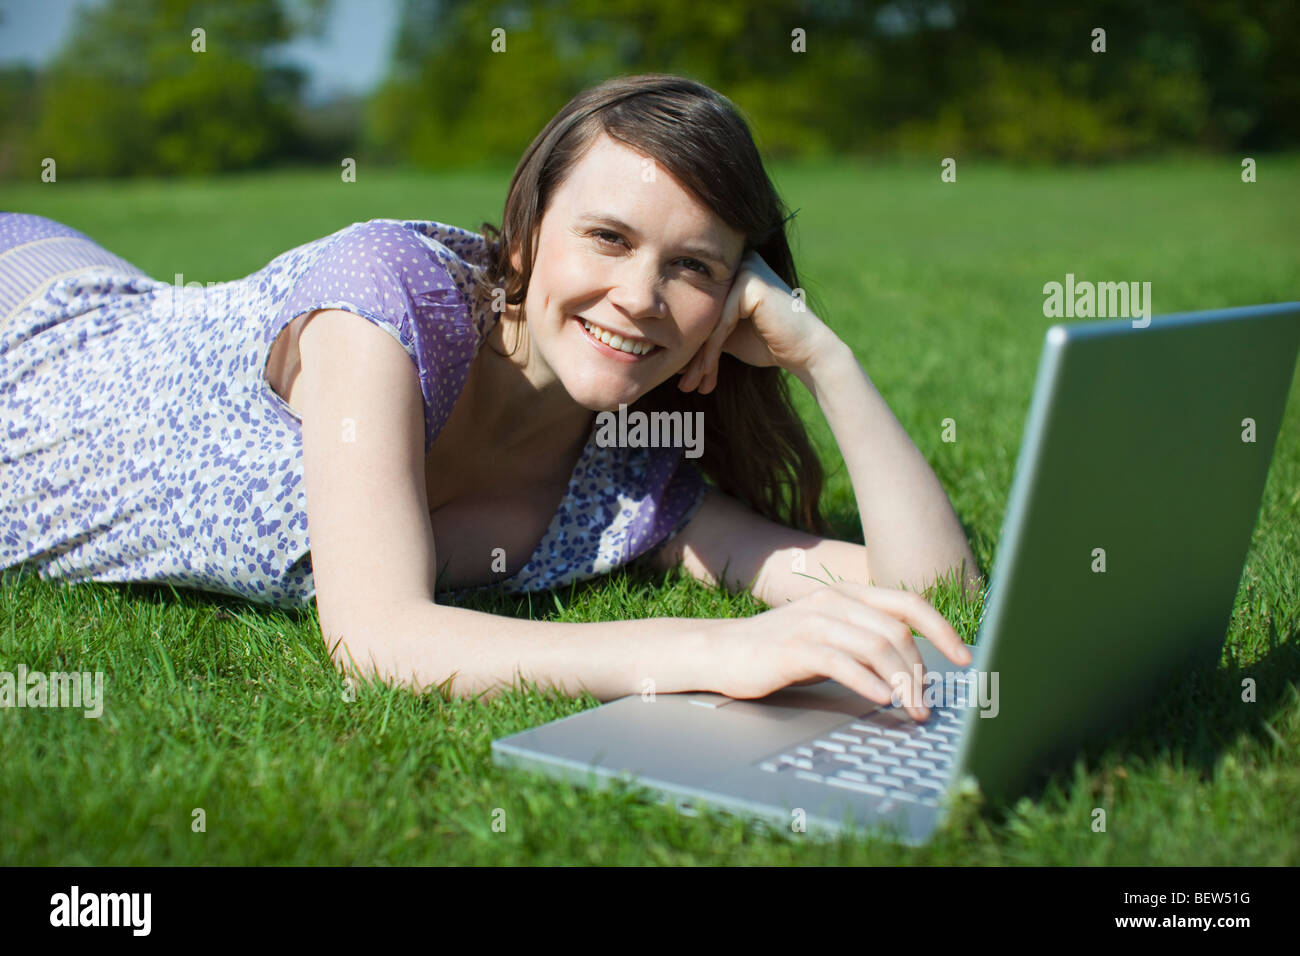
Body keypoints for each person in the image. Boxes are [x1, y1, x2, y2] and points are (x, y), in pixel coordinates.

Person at [0, 73, 981, 719]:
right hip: (29, 329)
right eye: (607, 237)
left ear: (732, 298)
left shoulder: (629, 474)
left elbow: (936, 594)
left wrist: (825, 360)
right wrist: (719, 648)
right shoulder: (387, 299)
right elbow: (379, 637)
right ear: (523, 233)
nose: (639, 296)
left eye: (691, 266)